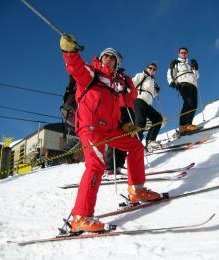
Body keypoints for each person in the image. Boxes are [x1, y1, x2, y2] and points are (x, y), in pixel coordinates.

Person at [60, 35, 161, 233]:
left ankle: (136, 190)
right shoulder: (92, 73)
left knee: (136, 146)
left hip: (110, 128)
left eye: (112, 57)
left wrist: (124, 122)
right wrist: (70, 52)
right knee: (95, 165)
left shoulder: (117, 84)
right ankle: (80, 216)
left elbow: (129, 99)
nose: (107, 58)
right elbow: (76, 67)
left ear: (117, 63)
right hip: (90, 127)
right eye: (105, 56)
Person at [167, 47, 199, 135]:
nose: (183, 54)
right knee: (188, 102)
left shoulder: (189, 64)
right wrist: (172, 82)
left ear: (187, 54)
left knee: (194, 104)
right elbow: (170, 73)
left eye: (185, 52)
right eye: (182, 52)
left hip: (193, 84)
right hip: (183, 83)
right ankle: (183, 126)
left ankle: (189, 124)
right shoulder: (176, 63)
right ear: (179, 54)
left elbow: (196, 76)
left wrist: (195, 68)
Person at [132, 63, 163, 151]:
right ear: (147, 68)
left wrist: (155, 90)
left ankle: (150, 141)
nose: (152, 70)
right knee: (141, 122)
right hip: (138, 99)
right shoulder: (141, 75)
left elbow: (152, 94)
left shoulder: (153, 80)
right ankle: (136, 145)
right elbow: (131, 83)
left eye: (154, 69)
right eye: (150, 68)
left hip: (147, 103)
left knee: (157, 119)